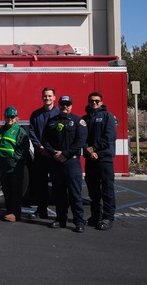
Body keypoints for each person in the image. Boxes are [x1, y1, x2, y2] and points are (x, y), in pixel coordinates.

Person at [42, 95, 87, 233]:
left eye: (68, 104)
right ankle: (60, 219)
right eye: (62, 104)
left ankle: (79, 221)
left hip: (71, 162)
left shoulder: (78, 121)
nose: (65, 107)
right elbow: (45, 140)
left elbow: (80, 141)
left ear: (71, 105)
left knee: (74, 194)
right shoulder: (51, 121)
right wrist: (54, 153)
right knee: (59, 193)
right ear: (59, 105)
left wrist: (65, 154)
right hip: (56, 161)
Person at [82, 92, 117, 230]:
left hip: (104, 159)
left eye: (97, 101)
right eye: (91, 101)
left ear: (101, 102)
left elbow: (109, 137)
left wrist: (94, 148)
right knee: (93, 190)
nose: (94, 103)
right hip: (90, 159)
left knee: (107, 189)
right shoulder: (85, 119)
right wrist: (87, 150)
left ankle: (108, 218)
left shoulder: (107, 116)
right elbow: (81, 138)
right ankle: (95, 217)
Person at [0, 106, 30, 222]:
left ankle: (16, 213)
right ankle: (9, 212)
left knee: (16, 191)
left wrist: (14, 160)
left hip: (15, 167)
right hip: (3, 167)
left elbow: (23, 149)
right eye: (8, 117)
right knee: (7, 191)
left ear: (16, 118)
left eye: (12, 117)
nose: (10, 119)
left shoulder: (20, 131)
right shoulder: (1, 130)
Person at [28, 87, 60, 218]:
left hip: (54, 156)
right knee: (40, 184)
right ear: (42, 98)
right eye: (45, 96)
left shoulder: (59, 113)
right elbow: (32, 132)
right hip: (40, 154)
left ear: (54, 97)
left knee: (58, 184)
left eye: (49, 96)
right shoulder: (36, 115)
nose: (47, 98)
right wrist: (40, 147)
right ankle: (41, 210)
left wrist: (52, 151)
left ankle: (60, 212)